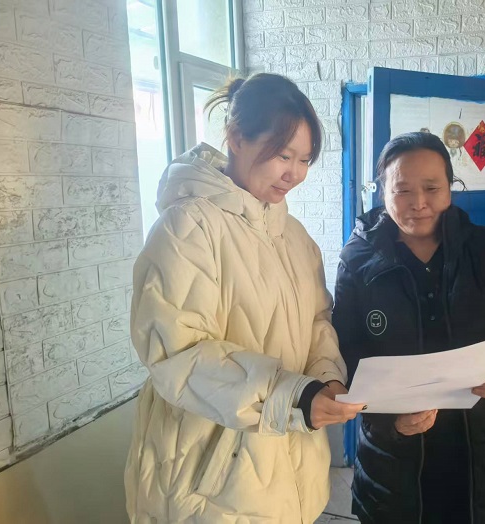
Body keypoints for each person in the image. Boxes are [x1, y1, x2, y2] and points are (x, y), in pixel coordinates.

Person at [124, 73, 363, 524]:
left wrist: (326, 379)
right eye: (283, 155)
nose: (295, 174)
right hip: (209, 481)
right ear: (235, 138)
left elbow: (317, 321)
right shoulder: (187, 228)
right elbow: (177, 353)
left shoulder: (295, 237)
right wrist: (293, 396)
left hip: (288, 468)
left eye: (305, 160)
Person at [332, 132, 485, 523]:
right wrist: (389, 421)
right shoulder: (356, 261)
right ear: (382, 191)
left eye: (432, 188)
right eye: (402, 190)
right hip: (394, 456)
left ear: (451, 188)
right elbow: (344, 350)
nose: (418, 203)